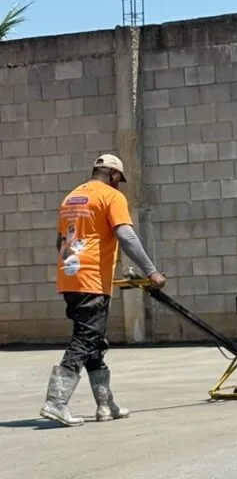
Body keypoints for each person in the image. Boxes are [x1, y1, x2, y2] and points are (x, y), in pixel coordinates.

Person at [40, 154, 167, 427]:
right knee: (86, 339)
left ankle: (105, 404)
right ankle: (56, 402)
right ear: (111, 174)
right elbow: (126, 235)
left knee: (95, 341)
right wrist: (151, 270)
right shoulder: (110, 197)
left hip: (70, 276)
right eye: (118, 180)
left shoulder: (71, 198)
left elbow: (59, 241)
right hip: (92, 280)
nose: (119, 185)